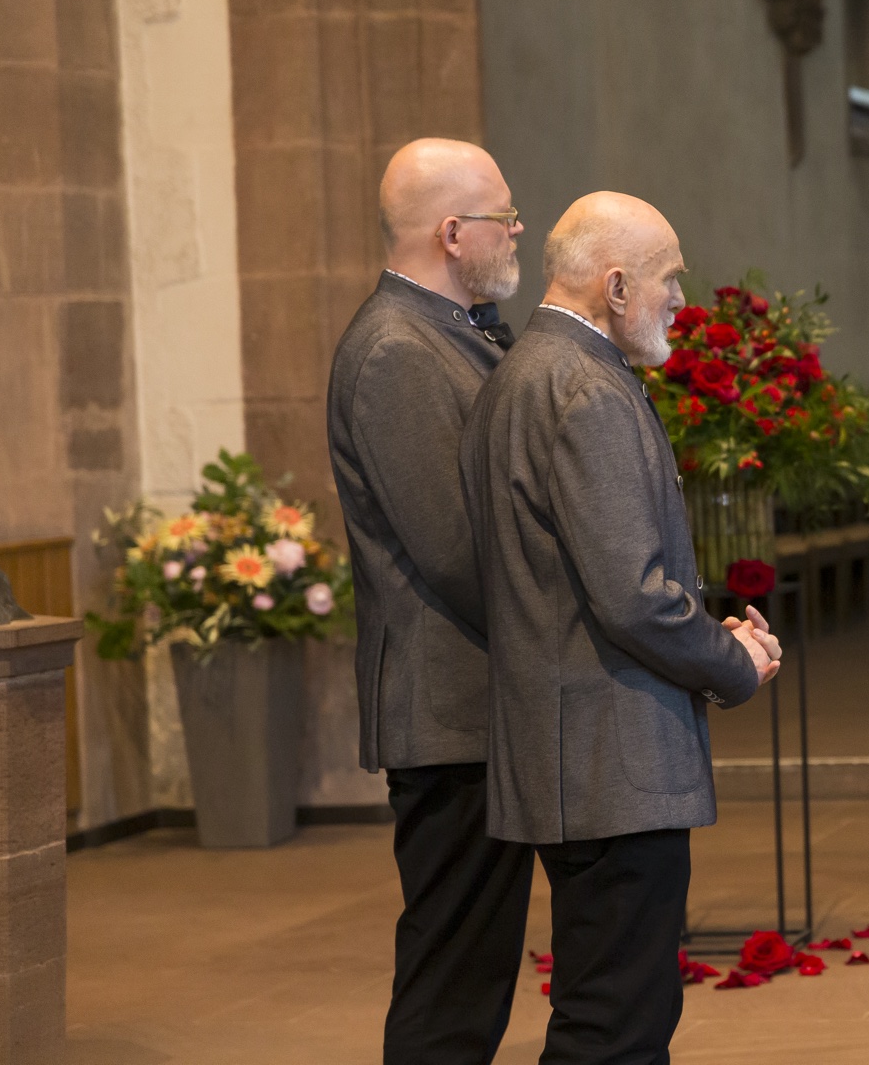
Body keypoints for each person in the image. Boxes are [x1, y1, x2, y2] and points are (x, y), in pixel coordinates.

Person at [461, 192, 780, 1065]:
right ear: (613, 286)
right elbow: (631, 598)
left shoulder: (524, 374)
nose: (683, 298)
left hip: (574, 752)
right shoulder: (584, 388)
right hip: (610, 758)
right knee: (617, 1027)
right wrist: (733, 658)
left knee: (613, 1013)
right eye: (670, 279)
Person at [326, 137, 531, 1064]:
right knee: (452, 985)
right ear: (454, 233)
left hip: (477, 706)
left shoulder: (456, 331)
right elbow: (455, 550)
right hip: (447, 712)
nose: (517, 229)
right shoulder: (397, 351)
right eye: (504, 214)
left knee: (474, 971)